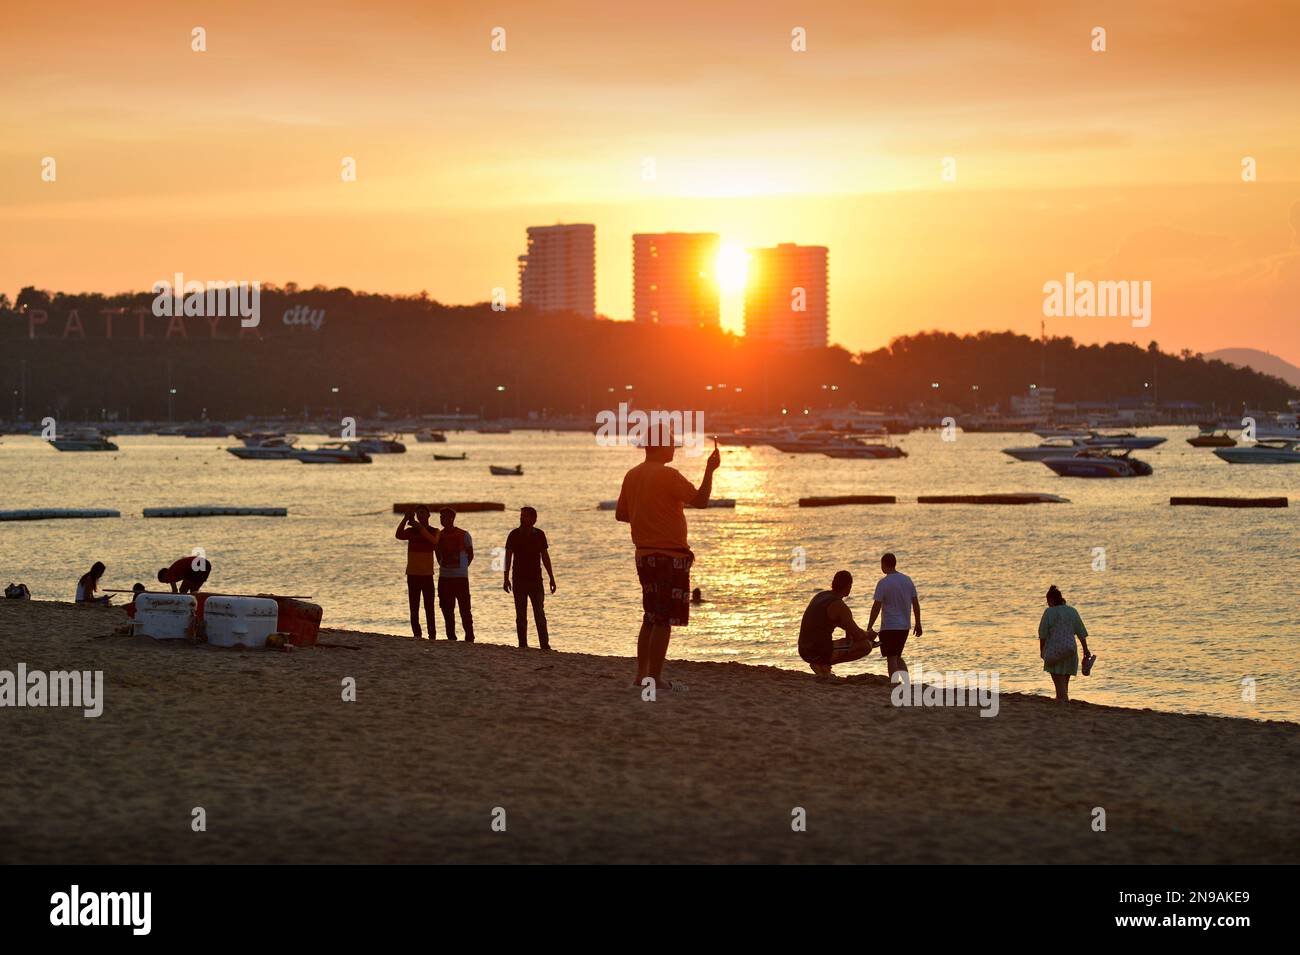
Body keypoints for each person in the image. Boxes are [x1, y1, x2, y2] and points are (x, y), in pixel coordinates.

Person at [615, 430, 720, 690]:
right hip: (668, 558)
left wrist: (648, 520)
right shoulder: (668, 475)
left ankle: (642, 675)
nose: (674, 450)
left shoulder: (632, 474)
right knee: (663, 620)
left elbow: (621, 514)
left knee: (650, 616)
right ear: (660, 447)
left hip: (645, 555)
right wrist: (710, 470)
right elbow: (702, 501)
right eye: (671, 445)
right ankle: (655, 678)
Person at [798, 570, 876, 678]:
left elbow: (848, 631)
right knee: (865, 646)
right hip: (815, 651)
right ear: (849, 586)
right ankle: (822, 663)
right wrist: (868, 634)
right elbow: (858, 635)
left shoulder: (821, 595)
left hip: (803, 648)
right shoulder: (839, 606)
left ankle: (822, 664)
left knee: (852, 642)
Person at [503, 506, 555, 649]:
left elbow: (545, 557)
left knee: (539, 614)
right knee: (521, 615)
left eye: (525, 516)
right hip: (519, 580)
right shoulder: (513, 535)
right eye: (521, 515)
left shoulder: (539, 535)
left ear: (533, 519)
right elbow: (508, 557)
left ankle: (544, 645)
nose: (522, 518)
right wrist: (505, 578)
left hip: (536, 580)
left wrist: (551, 577)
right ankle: (522, 645)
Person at [867, 552, 921, 682]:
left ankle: (894, 684)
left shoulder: (883, 583)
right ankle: (906, 683)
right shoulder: (907, 580)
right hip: (904, 627)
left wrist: (869, 626)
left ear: (883, 564)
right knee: (897, 656)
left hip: (889, 627)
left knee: (891, 657)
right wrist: (918, 623)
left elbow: (876, 606)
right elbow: (915, 603)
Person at [1038, 584, 1094, 703]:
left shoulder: (1049, 612)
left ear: (1050, 600)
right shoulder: (1072, 611)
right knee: (1064, 687)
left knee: (1060, 689)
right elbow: (1081, 632)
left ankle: (1063, 706)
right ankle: (1063, 706)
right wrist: (1085, 649)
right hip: (1070, 652)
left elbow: (1042, 633)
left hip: (1054, 653)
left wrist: (1042, 651)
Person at [396, 506, 440, 640]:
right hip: (413, 574)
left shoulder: (434, 531)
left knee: (429, 607)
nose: (420, 515)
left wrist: (418, 526)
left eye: (423, 513)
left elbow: (434, 541)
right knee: (414, 606)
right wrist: (404, 519)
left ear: (428, 515)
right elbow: (398, 535)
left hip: (427, 575)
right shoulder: (411, 531)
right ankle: (417, 634)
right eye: (418, 513)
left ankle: (432, 635)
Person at [434, 507, 474, 642]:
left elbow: (471, 554)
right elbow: (437, 551)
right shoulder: (439, 535)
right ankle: (451, 637)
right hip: (444, 578)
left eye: (444, 517)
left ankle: (469, 636)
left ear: (451, 518)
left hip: (460, 578)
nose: (441, 519)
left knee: (465, 609)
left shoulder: (464, 534)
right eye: (440, 517)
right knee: (446, 609)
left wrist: (462, 568)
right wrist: (441, 563)